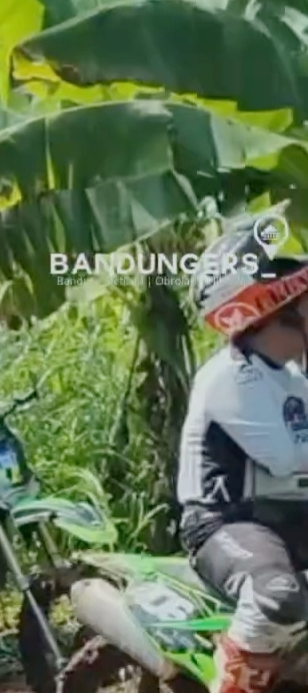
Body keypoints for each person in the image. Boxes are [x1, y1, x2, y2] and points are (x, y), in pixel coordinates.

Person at [179, 210, 308, 693]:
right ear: (275, 302)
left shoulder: (293, 377)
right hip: (227, 522)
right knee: (277, 595)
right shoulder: (230, 376)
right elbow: (288, 457)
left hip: (292, 516)